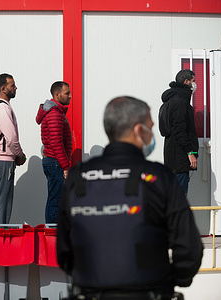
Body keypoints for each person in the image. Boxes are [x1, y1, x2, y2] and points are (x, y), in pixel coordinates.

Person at [57, 96, 203, 299]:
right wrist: (171, 281)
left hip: (90, 291)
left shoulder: (77, 177)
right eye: (150, 127)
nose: (152, 134)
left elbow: (63, 251)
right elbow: (189, 249)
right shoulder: (159, 177)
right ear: (138, 130)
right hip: (149, 291)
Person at [0, 73, 26, 224]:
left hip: (0, 160)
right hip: (4, 160)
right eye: (12, 85)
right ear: (3, 88)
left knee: (0, 201)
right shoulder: (3, 108)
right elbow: (11, 137)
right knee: (1, 203)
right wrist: (21, 155)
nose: (15, 87)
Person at [36, 81, 72, 223]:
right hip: (55, 162)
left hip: (54, 162)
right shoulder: (54, 114)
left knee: (56, 199)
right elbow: (56, 143)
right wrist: (65, 167)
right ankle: (52, 235)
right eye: (67, 93)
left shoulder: (56, 112)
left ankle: (53, 233)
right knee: (55, 201)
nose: (70, 96)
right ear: (57, 95)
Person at [161, 69, 199, 195]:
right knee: (179, 198)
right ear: (186, 81)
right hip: (179, 157)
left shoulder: (172, 100)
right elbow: (180, 130)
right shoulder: (180, 102)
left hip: (173, 156)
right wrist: (190, 152)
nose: (194, 85)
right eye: (193, 81)